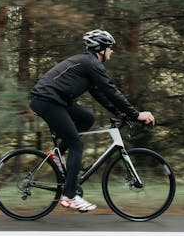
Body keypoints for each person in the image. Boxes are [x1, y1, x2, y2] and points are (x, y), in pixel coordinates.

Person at [29, 29, 155, 212]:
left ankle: (57, 155)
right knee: (77, 145)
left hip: (53, 100)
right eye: (110, 48)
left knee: (87, 118)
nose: (112, 51)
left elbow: (100, 94)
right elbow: (111, 90)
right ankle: (70, 196)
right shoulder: (91, 63)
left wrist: (121, 113)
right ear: (101, 49)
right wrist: (136, 114)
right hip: (47, 101)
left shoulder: (89, 64)